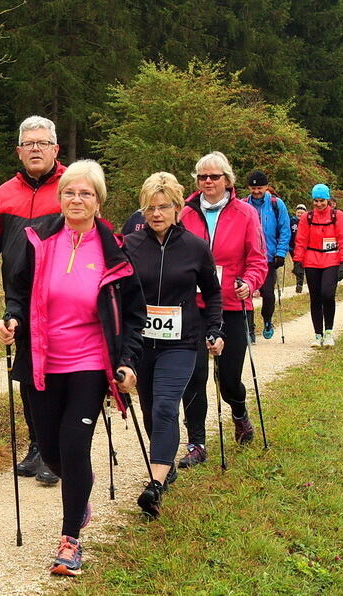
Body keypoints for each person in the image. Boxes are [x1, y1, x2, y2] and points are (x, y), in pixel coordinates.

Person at [0, 160, 143, 576]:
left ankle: (70, 540)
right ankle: (81, 496)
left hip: (89, 364)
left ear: (99, 200)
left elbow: (133, 315)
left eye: (86, 193)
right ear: (60, 198)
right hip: (41, 360)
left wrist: (128, 361)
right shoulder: (38, 239)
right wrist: (12, 320)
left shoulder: (116, 249)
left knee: (75, 445)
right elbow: (17, 293)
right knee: (52, 450)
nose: (76, 200)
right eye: (70, 193)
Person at [123, 172, 223, 517]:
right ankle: (166, 465)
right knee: (151, 409)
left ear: (178, 208)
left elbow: (212, 293)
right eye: (150, 208)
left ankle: (155, 485)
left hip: (182, 342)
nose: (157, 214)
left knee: (167, 406)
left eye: (164, 207)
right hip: (141, 343)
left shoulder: (196, 247)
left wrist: (215, 329)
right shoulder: (130, 245)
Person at [0, 115, 65, 485]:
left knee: (54, 374)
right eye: (29, 144)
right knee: (27, 374)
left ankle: (54, 449)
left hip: (60, 297)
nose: (36, 149)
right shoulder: (4, 192)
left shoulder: (71, 186)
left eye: (43, 143)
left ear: (56, 149)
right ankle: (37, 444)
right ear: (19, 151)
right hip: (20, 297)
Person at [177, 151, 267, 467]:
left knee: (228, 378)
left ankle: (239, 411)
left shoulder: (245, 214)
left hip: (230, 303)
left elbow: (258, 259)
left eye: (214, 177)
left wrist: (250, 282)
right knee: (194, 374)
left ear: (227, 180)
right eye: (202, 177)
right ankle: (196, 444)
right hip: (194, 306)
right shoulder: (184, 213)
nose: (208, 182)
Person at [292, 184, 343, 348]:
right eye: (316, 201)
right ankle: (318, 334)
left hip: (331, 260)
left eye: (322, 200)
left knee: (327, 294)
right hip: (312, 260)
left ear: (328, 199)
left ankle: (329, 332)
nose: (319, 204)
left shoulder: (337, 216)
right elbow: (301, 240)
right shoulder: (307, 218)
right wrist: (298, 261)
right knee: (315, 297)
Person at [241, 170, 289, 340]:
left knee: (267, 294)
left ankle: (267, 319)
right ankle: (250, 330)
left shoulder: (277, 204)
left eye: (260, 188)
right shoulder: (243, 204)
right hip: (246, 257)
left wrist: (281, 252)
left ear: (267, 187)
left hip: (268, 258)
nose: (256, 191)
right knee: (245, 294)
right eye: (253, 188)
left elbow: (284, 229)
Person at [289, 204, 307, 293]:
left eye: (302, 213)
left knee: (300, 265)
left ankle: (299, 283)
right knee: (297, 265)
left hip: (304, 248)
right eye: (298, 212)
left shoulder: (307, 222)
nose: (299, 214)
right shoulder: (292, 221)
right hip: (292, 247)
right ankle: (299, 282)